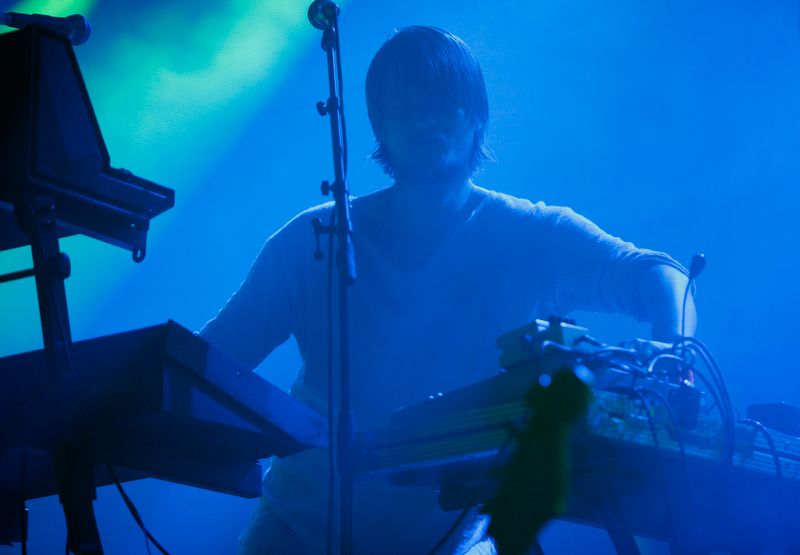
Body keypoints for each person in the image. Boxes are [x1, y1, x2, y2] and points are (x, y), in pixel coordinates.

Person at [200, 25, 696, 555]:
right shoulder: (312, 239)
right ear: (378, 125)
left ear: (477, 114)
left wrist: (673, 357)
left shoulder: (533, 234)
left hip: (454, 539)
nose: (423, 121)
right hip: (297, 531)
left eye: (441, 104)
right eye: (404, 107)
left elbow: (659, 274)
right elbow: (209, 360)